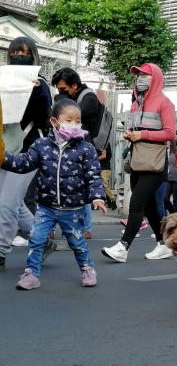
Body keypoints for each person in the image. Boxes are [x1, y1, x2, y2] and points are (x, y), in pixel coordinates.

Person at [0, 99, 106, 289]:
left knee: (77, 242)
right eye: (69, 120)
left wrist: (97, 196)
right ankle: (31, 274)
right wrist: (3, 157)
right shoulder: (41, 145)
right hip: (46, 207)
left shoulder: (85, 148)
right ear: (54, 122)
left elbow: (94, 175)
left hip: (73, 208)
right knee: (36, 239)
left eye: (77, 121)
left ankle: (87, 269)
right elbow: (23, 163)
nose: (74, 125)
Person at [102, 63, 176, 263]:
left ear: (156, 78)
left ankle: (123, 247)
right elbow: (134, 128)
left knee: (136, 204)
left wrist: (141, 134)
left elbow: (170, 133)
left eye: (145, 75)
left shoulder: (165, 103)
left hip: (154, 164)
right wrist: (129, 134)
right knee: (151, 208)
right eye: (138, 75)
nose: (140, 78)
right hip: (136, 161)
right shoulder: (136, 104)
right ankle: (163, 244)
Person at [0, 37, 52, 268]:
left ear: (33, 55)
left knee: (7, 203)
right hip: (4, 147)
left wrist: (38, 93)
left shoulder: (40, 84)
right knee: (12, 202)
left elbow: (45, 120)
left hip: (28, 149)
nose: (19, 55)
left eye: (24, 52)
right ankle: (41, 239)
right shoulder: (1, 81)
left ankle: (0, 252)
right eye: (15, 51)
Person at [52, 68, 103, 239]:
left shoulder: (88, 98)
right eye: (58, 89)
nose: (60, 92)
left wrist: (60, 101)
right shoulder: (74, 96)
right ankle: (79, 226)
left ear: (74, 85)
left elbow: (71, 114)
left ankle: (86, 228)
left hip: (85, 149)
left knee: (83, 186)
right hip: (71, 148)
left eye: (63, 89)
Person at [99, 143, 117, 210]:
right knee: (102, 186)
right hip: (103, 168)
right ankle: (110, 203)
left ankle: (113, 200)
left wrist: (94, 159)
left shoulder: (105, 144)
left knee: (104, 186)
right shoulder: (104, 143)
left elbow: (104, 156)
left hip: (104, 168)